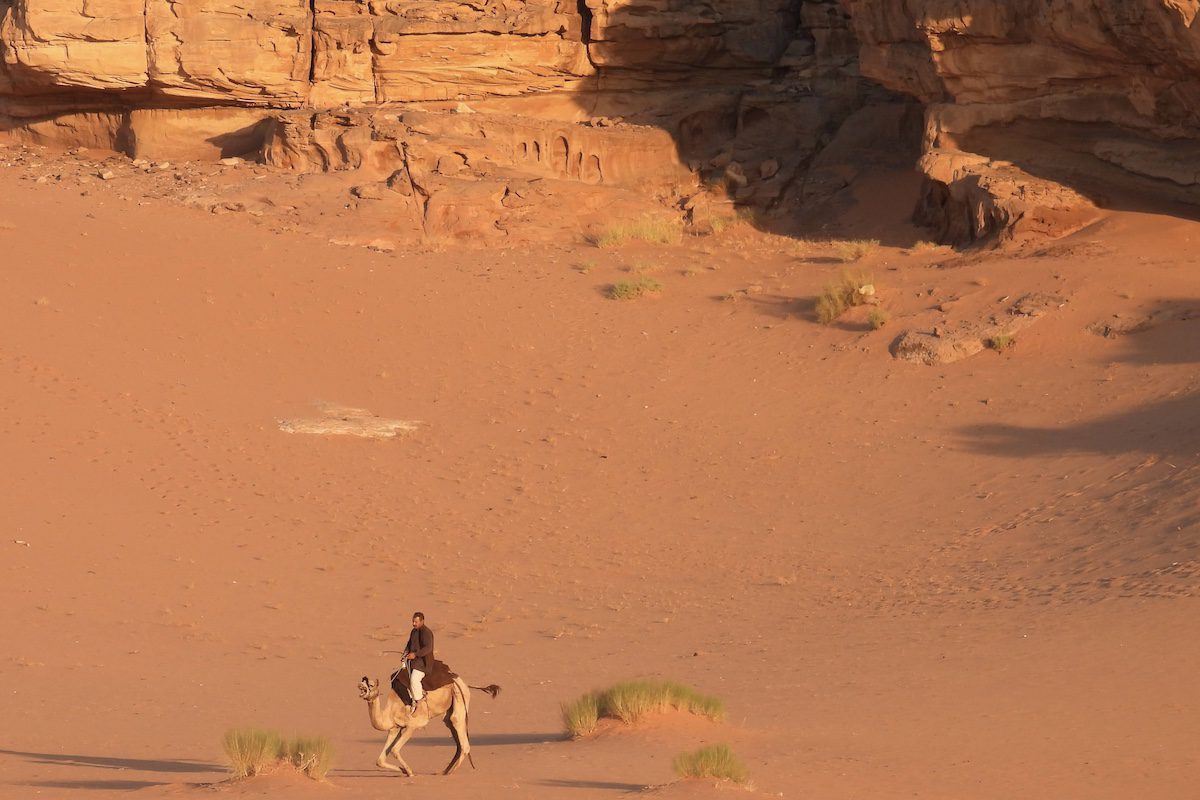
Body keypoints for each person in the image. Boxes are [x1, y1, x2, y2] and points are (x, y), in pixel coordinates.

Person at [402, 612, 434, 713]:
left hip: (423, 664)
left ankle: (420, 703)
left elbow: (428, 648)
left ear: (422, 621)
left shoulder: (426, 632)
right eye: (413, 621)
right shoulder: (414, 632)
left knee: (414, 679)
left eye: (416, 622)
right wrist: (405, 653)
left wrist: (415, 655)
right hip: (413, 662)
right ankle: (412, 702)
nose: (414, 623)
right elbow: (409, 644)